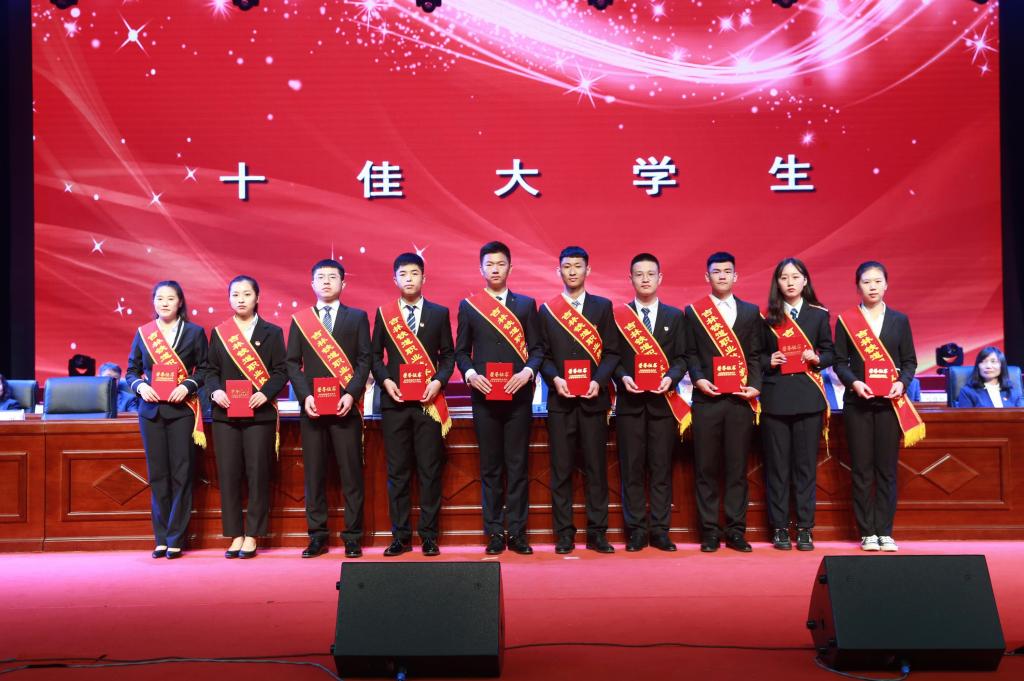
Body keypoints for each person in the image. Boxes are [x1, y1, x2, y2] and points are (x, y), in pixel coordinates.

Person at [455, 241, 544, 555]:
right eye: (489, 264)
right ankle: (494, 532)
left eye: (500, 264)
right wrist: (470, 374)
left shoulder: (526, 305)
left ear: (510, 268)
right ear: (481, 269)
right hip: (484, 399)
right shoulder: (470, 306)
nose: (495, 269)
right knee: (491, 467)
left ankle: (517, 533)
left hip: (518, 397)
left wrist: (527, 373)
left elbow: (537, 349)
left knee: (517, 466)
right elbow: (461, 352)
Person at [834, 261, 924, 553]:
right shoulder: (846, 320)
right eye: (866, 282)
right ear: (857, 286)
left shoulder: (899, 320)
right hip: (858, 404)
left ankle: (885, 532)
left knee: (886, 470)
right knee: (861, 470)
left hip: (889, 406)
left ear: (886, 285)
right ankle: (867, 533)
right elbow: (839, 362)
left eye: (877, 281)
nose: (872, 287)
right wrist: (854, 383)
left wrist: (902, 383)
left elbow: (909, 361)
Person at [371, 253, 455, 557]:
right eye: (403, 274)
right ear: (395, 279)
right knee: (398, 473)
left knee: (430, 471)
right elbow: (373, 356)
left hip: (428, 404)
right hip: (395, 404)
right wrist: (385, 381)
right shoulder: (384, 314)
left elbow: (448, 356)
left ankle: (429, 536)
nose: (409, 278)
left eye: (414, 273)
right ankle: (401, 537)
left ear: (424, 278)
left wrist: (438, 382)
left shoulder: (439, 313)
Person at [286, 259, 371, 559]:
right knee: (314, 475)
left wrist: (351, 394)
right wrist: (304, 396)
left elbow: (364, 360)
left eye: (332, 277)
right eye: (320, 277)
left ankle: (353, 536)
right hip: (312, 409)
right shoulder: (301, 320)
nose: (326, 282)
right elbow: (292, 363)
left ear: (343, 283)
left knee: (351, 475)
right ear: (312, 283)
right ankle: (317, 536)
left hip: (346, 408)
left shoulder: (357, 317)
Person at [538, 246, 620, 554]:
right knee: (561, 471)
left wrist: (599, 381)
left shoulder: (602, 307)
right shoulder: (547, 310)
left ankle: (597, 533)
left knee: (596, 470)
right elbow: (542, 355)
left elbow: (612, 352)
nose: (572, 271)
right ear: (558, 271)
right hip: (560, 403)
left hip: (593, 402)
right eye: (567, 266)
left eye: (577, 266)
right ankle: (564, 534)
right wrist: (555, 379)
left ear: (588, 270)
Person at [683, 252, 762, 553]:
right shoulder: (694, 312)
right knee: (706, 468)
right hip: (708, 399)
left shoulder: (750, 312)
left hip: (740, 401)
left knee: (736, 469)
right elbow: (690, 354)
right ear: (707, 276)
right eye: (716, 272)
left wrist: (755, 386)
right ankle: (709, 532)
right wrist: (698, 379)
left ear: (735, 276)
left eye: (727, 271)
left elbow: (754, 354)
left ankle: (736, 531)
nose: (722, 276)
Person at [206, 276, 288, 560]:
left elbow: (281, 371)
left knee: (257, 474)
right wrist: (215, 391)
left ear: (257, 298)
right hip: (225, 415)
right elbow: (210, 370)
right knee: (228, 476)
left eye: (246, 294)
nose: (240, 299)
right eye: (235, 294)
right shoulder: (220, 333)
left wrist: (265, 393)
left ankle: (252, 534)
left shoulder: (272, 332)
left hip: (259, 415)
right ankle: (235, 534)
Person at [611, 253, 688, 552]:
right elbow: (612, 356)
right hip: (630, 404)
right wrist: (622, 377)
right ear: (630, 278)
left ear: (660, 278)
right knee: (631, 469)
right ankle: (636, 531)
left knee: (660, 468)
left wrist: (671, 377)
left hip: (663, 404)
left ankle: (660, 530)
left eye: (650, 274)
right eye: (639, 274)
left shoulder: (674, 316)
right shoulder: (619, 317)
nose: (645, 279)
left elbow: (682, 358)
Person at [126, 281, 208, 559]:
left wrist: (187, 386)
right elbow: (131, 371)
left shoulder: (194, 332)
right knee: (158, 475)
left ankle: (176, 538)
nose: (164, 303)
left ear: (180, 302)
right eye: (159, 298)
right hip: (151, 412)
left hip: (182, 411)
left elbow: (205, 369)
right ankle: (160, 538)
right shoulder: (144, 333)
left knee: (181, 474)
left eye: (170, 298)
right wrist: (140, 386)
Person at [760, 258, 834, 551]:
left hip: (808, 399)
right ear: (777, 283)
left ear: (805, 280)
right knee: (777, 468)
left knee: (805, 468)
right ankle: (779, 528)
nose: (790, 282)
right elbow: (754, 356)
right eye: (784, 277)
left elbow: (830, 352)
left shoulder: (819, 315)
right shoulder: (766, 317)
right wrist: (769, 360)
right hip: (775, 399)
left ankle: (804, 528)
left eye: (795, 276)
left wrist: (818, 358)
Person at [954, 347, 1024, 408]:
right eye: (983, 362)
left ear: (1001, 366)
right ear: (978, 366)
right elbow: (965, 418)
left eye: (993, 361)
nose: (988, 366)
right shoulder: (968, 392)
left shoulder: (1013, 390)